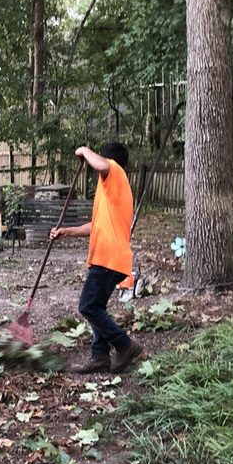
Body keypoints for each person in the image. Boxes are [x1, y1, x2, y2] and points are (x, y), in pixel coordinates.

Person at [50, 142, 143, 374]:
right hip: (110, 256)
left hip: (109, 257)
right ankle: (100, 356)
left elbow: (102, 164)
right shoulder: (113, 191)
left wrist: (82, 150)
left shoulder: (114, 172)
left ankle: (124, 345)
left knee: (88, 306)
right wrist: (67, 231)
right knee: (97, 306)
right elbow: (96, 226)